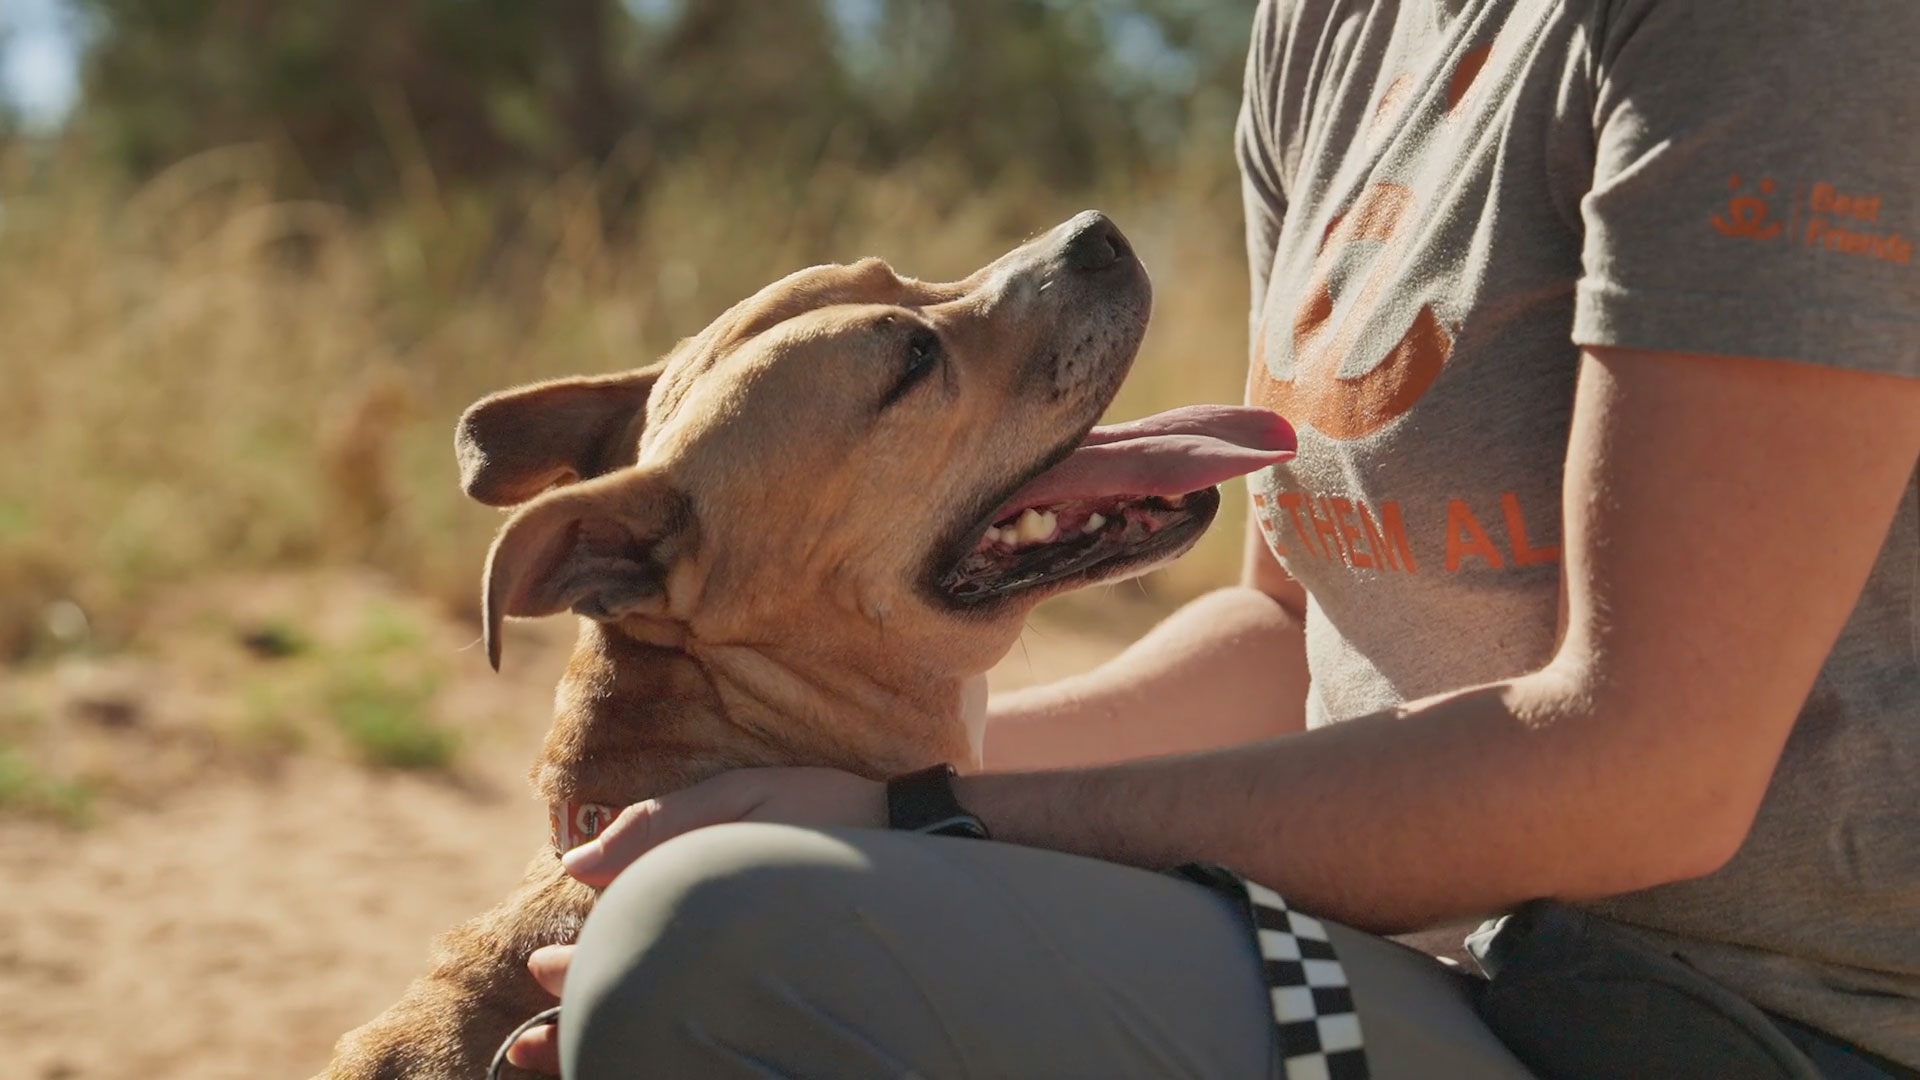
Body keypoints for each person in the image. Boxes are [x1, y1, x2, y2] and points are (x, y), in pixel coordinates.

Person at [506, 0, 1919, 1075]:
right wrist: (734, 794)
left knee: (728, 947)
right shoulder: (1330, 27)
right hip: (1413, 967)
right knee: (681, 898)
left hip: (1734, 1030)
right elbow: (1290, 640)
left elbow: (1651, 775)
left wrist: (917, 825)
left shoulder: (1778, 35)